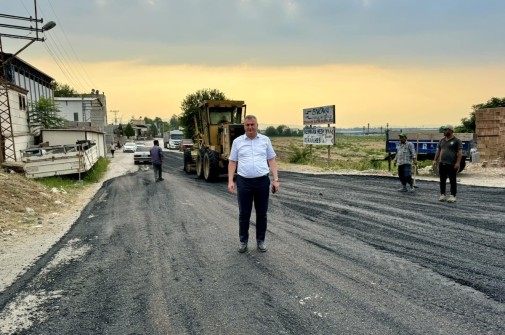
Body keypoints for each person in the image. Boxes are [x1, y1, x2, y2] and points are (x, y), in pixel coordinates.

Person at [228, 115, 279, 253]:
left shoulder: (265, 140)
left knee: (261, 214)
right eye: (247, 125)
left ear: (257, 125)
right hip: (244, 182)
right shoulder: (237, 142)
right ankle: (243, 241)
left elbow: (272, 161)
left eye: (252, 124)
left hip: (262, 182)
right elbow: (232, 162)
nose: (250, 127)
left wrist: (276, 180)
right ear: (244, 126)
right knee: (244, 213)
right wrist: (230, 181)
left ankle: (260, 241)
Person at [432, 125, 462, 203]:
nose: (444, 131)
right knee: (442, 180)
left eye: (445, 130)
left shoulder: (457, 141)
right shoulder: (442, 141)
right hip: (442, 163)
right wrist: (435, 160)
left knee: (452, 180)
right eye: (444, 130)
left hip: (452, 164)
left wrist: (458, 163)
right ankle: (442, 194)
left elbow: (459, 153)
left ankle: (453, 195)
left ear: (451, 131)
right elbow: (438, 151)